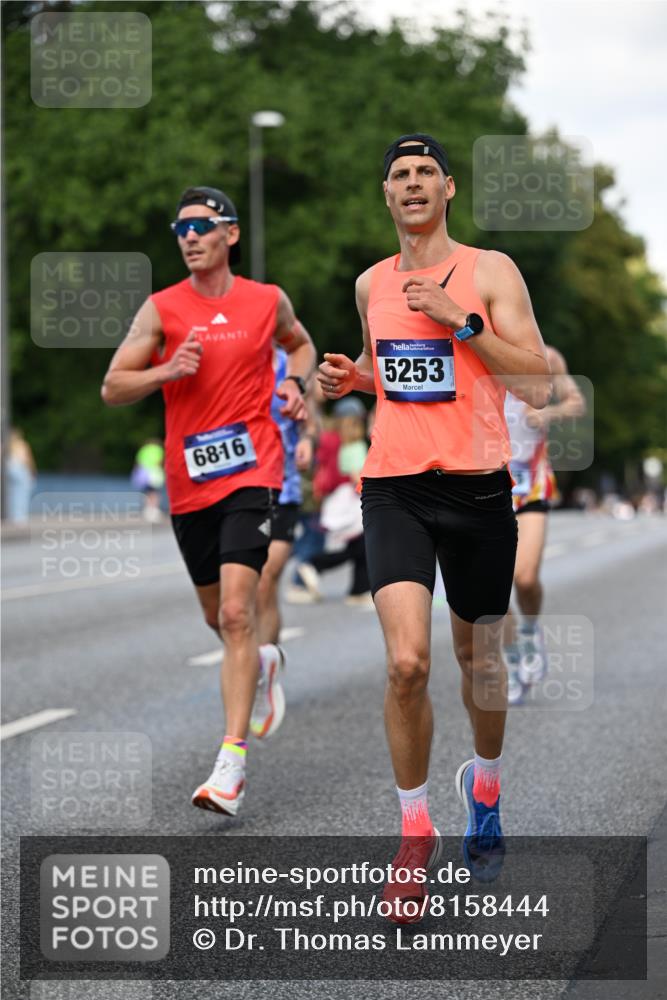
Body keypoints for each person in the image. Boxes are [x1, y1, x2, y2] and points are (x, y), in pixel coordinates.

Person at [318, 134, 551, 914]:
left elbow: (539, 383)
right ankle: (413, 833)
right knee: (408, 664)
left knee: (477, 660)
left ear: (447, 188)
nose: (411, 185)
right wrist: (353, 376)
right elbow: (387, 368)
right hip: (395, 490)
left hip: (479, 492)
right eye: (398, 176)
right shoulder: (369, 283)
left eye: (424, 174)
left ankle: (483, 790)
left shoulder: (489, 272)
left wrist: (461, 321)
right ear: (385, 195)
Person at [102, 185, 315, 817]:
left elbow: (299, 342)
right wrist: (165, 372)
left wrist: (297, 385)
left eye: (200, 226)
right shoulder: (162, 310)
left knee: (235, 618)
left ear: (230, 235)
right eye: (180, 229)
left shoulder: (265, 301)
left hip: (253, 470)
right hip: (188, 483)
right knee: (218, 620)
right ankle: (266, 663)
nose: (188, 237)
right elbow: (114, 385)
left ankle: (230, 763)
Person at [503, 347, 586, 704]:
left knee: (525, 577)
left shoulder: (548, 358)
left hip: (531, 482)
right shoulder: (472, 347)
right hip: (484, 482)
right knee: (489, 588)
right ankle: (512, 660)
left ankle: (531, 630)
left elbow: (577, 403)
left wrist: (549, 411)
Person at [250, 350, 317, 738]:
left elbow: (310, 417)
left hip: (281, 488)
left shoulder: (285, 362)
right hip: (234, 489)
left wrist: (306, 438)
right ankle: (255, 657)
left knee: (264, 579)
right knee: (236, 596)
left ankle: (263, 672)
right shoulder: (223, 357)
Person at [299, 396, 372, 607]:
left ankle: (359, 588)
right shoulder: (352, 445)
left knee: (358, 544)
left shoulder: (329, 440)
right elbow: (355, 476)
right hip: (350, 501)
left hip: (335, 499)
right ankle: (315, 565)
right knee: (359, 544)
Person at [131, 438, 165, 522]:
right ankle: (153, 510)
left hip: (143, 474)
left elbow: (138, 462)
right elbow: (160, 461)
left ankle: (147, 509)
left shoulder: (144, 449)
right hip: (154, 473)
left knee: (147, 492)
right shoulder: (158, 449)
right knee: (155, 492)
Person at [6, 428, 36, 523]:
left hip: (9, 469)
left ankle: (14, 516)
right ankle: (20, 517)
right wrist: (33, 471)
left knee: (12, 494)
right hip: (20, 469)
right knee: (22, 494)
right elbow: (28, 459)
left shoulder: (8, 445)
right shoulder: (22, 444)